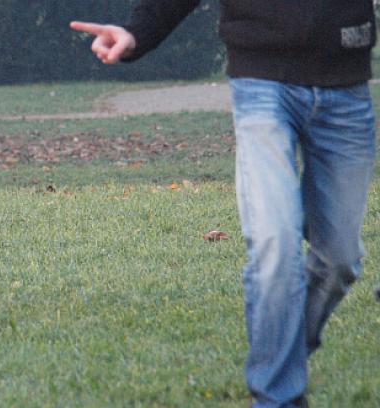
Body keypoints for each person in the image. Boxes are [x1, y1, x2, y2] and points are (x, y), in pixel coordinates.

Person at [71, 2, 377, 407]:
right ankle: (277, 397)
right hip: (262, 83)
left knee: (339, 260)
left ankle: (282, 357)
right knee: (274, 244)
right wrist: (137, 34)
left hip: (347, 89)